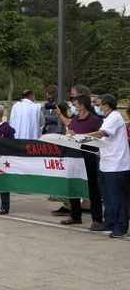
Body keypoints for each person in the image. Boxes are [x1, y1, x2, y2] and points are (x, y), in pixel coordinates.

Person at [71, 94, 130, 238]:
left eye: (98, 104)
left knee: (117, 197)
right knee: (107, 196)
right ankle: (109, 221)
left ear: (106, 106)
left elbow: (100, 134)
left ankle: (121, 226)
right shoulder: (107, 119)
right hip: (106, 163)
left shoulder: (114, 118)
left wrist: (79, 136)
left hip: (116, 165)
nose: (96, 106)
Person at [59, 94, 103, 227]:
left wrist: (77, 135)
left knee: (92, 187)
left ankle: (97, 218)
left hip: (88, 157)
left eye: (75, 105)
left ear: (82, 106)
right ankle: (75, 215)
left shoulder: (95, 120)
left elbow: (99, 138)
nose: (74, 107)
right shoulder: (75, 119)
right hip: (73, 156)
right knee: (73, 185)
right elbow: (70, 132)